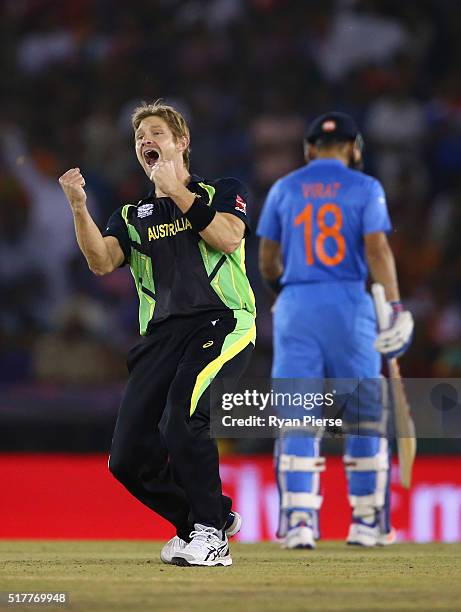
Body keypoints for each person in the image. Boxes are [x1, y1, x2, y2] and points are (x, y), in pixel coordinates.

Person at [58, 101, 256, 567]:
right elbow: (102, 261)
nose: (146, 141)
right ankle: (204, 521)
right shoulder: (132, 216)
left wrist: (178, 192)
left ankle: (212, 537)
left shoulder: (222, 190)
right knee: (125, 459)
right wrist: (79, 208)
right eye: (139, 137)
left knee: (183, 418)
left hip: (220, 322)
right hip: (161, 336)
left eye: (156, 133)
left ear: (182, 143)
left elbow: (228, 237)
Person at [256, 112, 413, 549]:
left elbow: (268, 258)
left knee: (297, 418)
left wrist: (284, 291)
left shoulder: (284, 188)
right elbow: (377, 248)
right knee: (362, 418)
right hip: (349, 304)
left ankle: (300, 521)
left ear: (309, 149)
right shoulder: (366, 188)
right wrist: (396, 305)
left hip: (296, 305)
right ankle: (367, 522)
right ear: (354, 148)